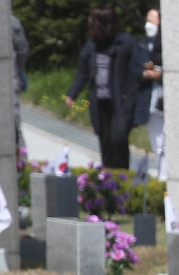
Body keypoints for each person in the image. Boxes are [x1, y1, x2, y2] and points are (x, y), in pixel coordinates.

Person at [64, 5, 146, 169]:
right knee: (105, 140)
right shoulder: (92, 45)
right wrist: (72, 93)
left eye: (92, 21)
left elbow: (139, 67)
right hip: (100, 101)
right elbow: (83, 71)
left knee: (118, 138)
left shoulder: (125, 42)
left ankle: (122, 175)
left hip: (121, 101)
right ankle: (109, 178)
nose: (90, 24)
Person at [137, 8, 167, 181]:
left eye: (152, 21)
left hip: (165, 99)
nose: (149, 25)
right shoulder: (142, 44)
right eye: (147, 20)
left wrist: (160, 73)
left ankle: (165, 176)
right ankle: (162, 175)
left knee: (167, 143)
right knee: (157, 143)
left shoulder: (165, 43)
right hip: (150, 103)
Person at [11, 15, 30, 155]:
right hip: (11, 80)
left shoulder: (12, 21)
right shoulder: (12, 21)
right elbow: (23, 51)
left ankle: (21, 166)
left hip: (11, 82)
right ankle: (22, 165)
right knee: (15, 127)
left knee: (15, 128)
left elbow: (22, 50)